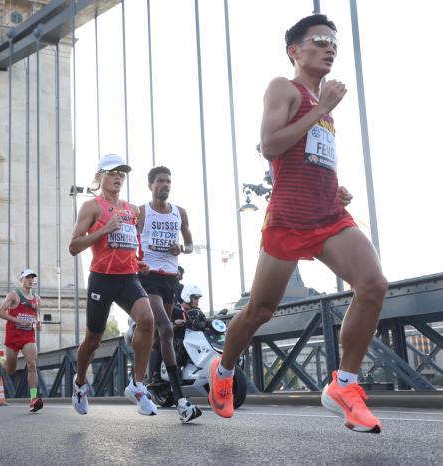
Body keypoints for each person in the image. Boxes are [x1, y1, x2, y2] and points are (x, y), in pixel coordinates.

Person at [207, 14, 387, 434]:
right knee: (260, 310)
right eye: (320, 41)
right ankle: (224, 369)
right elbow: (270, 145)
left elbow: (312, 156)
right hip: (288, 217)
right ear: (295, 50)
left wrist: (337, 189)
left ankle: (344, 385)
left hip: (328, 213)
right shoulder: (283, 88)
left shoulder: (326, 109)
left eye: (334, 45)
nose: (330, 49)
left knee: (374, 284)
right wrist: (322, 107)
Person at [68, 154, 157, 416]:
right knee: (93, 340)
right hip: (102, 279)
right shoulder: (91, 207)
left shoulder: (133, 210)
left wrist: (138, 261)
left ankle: (138, 385)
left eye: (122, 173)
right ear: (99, 177)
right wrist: (103, 230)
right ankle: (80, 382)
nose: (118, 176)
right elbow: (74, 246)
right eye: (112, 172)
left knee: (147, 319)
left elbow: (130, 243)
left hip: (128, 276)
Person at [137, 166, 201, 423]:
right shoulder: (141, 212)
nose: (165, 185)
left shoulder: (180, 213)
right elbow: (131, 240)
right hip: (148, 276)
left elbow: (190, 245)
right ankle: (181, 400)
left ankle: (145, 380)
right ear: (151, 185)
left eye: (168, 181)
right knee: (166, 329)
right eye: (160, 181)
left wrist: (181, 249)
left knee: (156, 336)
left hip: (171, 280)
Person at [0, 269, 43, 413]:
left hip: (28, 336)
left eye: (32, 278)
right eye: (27, 277)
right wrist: (19, 321)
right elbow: (0, 313)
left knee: (32, 363)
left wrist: (38, 322)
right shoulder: (13, 295)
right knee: (11, 370)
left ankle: (33, 399)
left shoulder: (37, 298)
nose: (30, 280)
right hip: (13, 336)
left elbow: (36, 314)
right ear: (21, 279)